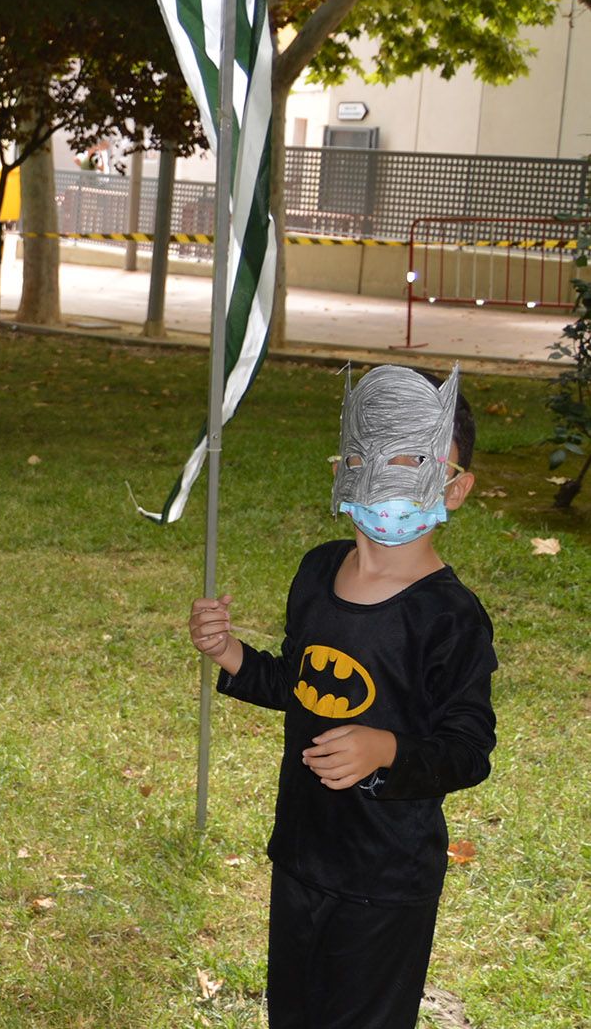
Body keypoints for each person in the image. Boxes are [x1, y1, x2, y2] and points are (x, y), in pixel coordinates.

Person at [189, 365, 496, 1029]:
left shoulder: (449, 618)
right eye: (366, 454)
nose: (385, 475)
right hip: (303, 853)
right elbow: (301, 683)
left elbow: (468, 750)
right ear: (343, 467)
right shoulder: (317, 570)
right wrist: (230, 654)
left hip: (387, 879)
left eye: (412, 457)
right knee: (295, 1012)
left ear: (456, 484)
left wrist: (386, 747)